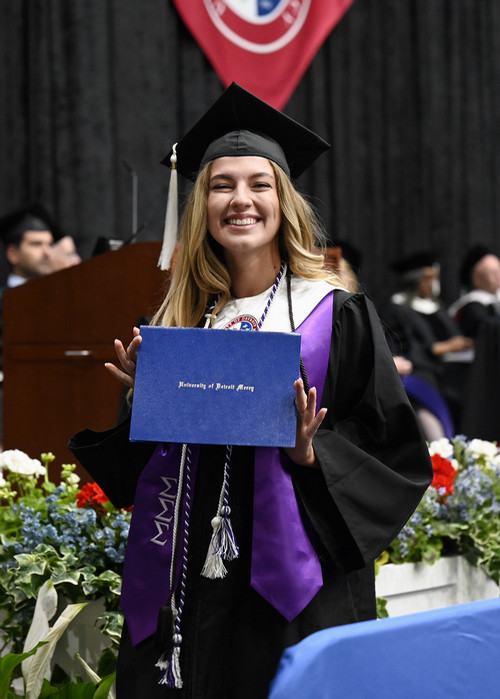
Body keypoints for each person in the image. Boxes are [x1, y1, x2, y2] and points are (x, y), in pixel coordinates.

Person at [69, 83, 432, 699]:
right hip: (187, 586)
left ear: (283, 200)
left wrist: (312, 454)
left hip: (291, 593)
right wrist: (144, 406)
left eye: (259, 184)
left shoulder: (336, 314)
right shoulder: (179, 323)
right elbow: (141, 478)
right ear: (200, 206)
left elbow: (394, 456)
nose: (241, 200)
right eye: (220, 185)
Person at [381, 250, 473, 438]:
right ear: (413, 279)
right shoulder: (397, 309)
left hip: (449, 376)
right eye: (427, 278)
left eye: (434, 278)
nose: (432, 284)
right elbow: (400, 348)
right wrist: (439, 348)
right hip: (419, 377)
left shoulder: (437, 307)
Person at [448, 244, 500, 337]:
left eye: (499, 272)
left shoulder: (496, 298)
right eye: (493, 273)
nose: (498, 277)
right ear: (477, 279)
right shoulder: (473, 307)